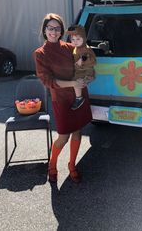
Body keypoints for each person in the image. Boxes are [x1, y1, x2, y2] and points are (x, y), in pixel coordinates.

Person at [33, 13, 92, 183]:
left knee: (78, 132)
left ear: (61, 31)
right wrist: (73, 83)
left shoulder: (69, 47)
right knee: (63, 136)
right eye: (50, 28)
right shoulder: (40, 53)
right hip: (61, 99)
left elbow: (84, 57)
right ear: (44, 30)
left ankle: (72, 165)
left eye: (57, 28)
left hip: (79, 94)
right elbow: (48, 81)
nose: (53, 31)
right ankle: (52, 165)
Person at [66, 25, 96, 109]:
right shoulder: (77, 48)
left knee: (76, 82)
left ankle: (79, 98)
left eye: (78, 39)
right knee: (75, 81)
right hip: (80, 71)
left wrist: (83, 59)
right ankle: (78, 96)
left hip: (86, 72)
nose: (75, 41)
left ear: (84, 38)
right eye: (73, 39)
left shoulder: (85, 48)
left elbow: (92, 59)